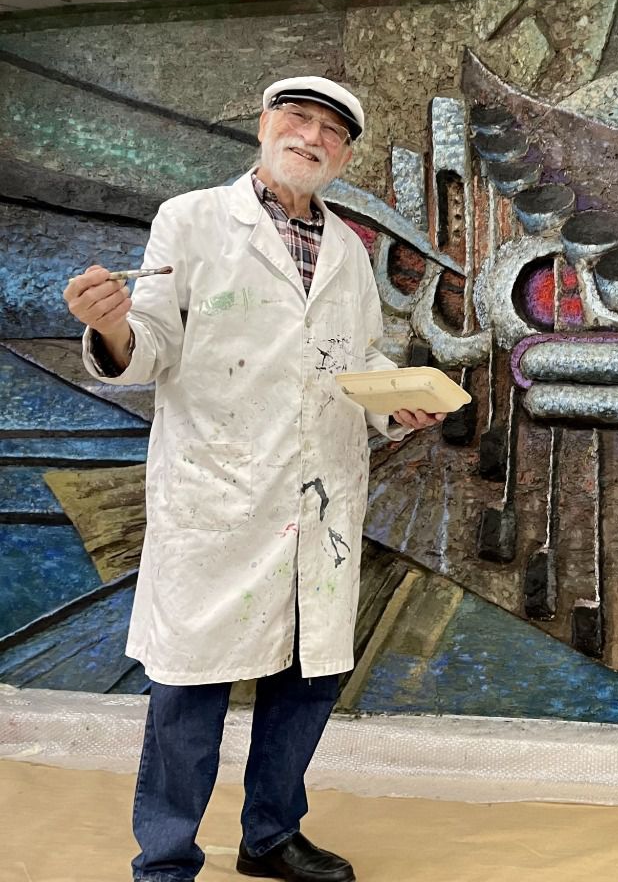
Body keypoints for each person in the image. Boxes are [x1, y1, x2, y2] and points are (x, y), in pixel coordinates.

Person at [63, 76, 441, 882]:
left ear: (344, 156)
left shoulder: (347, 248)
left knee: (309, 678)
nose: (311, 138)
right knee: (189, 691)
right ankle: (165, 861)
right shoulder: (193, 220)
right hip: (220, 493)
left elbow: (352, 355)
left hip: (321, 502)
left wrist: (392, 403)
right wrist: (112, 326)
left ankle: (270, 836)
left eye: (331, 133)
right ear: (266, 126)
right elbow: (154, 347)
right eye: (296, 120)